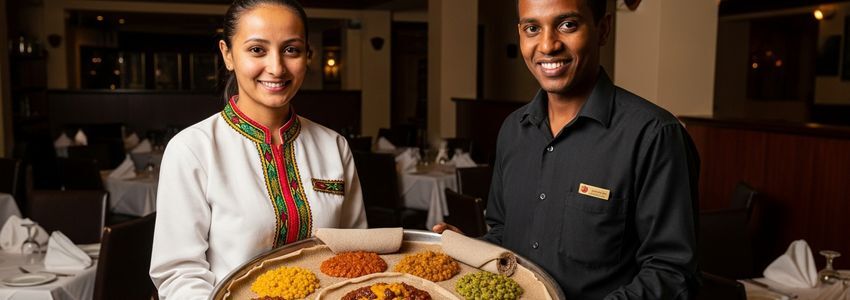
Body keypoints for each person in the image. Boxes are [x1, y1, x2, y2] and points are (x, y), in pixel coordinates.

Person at [434, 0, 700, 298]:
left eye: (567, 25)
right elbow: (504, 233)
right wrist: (472, 247)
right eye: (532, 28)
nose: (547, 45)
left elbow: (672, 273)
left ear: (603, 30)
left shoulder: (654, 135)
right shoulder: (512, 130)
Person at [149, 0, 367, 298]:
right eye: (257, 50)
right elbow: (179, 273)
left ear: (307, 56)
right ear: (227, 54)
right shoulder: (192, 149)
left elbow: (356, 250)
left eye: (291, 50)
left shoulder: (334, 146)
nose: (277, 68)